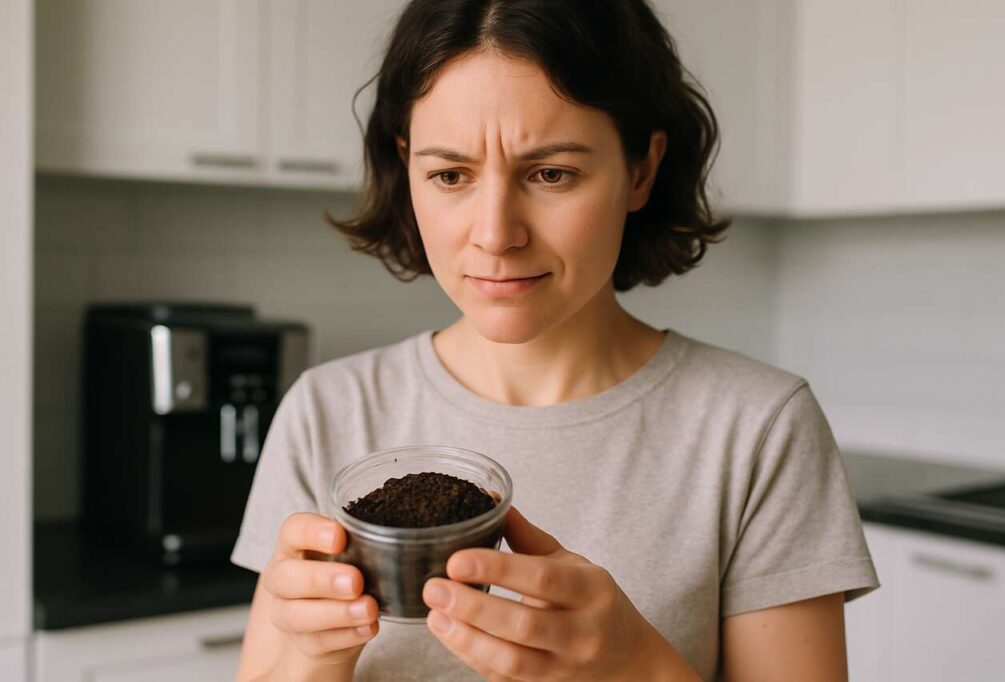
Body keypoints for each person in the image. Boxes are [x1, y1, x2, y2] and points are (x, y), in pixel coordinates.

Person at [230, 0, 880, 680]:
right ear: (407, 165)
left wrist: (641, 669)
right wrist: (312, 656)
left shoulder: (757, 430)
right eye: (450, 174)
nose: (495, 233)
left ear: (640, 170)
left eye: (551, 174)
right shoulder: (326, 412)